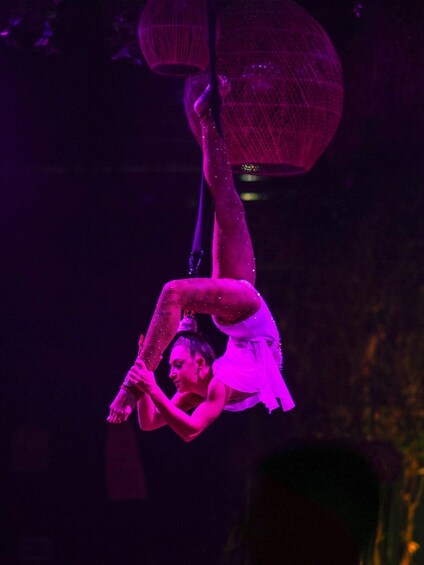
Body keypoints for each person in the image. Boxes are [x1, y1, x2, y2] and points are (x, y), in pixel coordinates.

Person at [107, 77, 295, 441]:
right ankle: (125, 388)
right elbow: (190, 430)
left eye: (172, 366)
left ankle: (207, 115)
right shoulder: (217, 386)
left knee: (226, 201)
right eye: (176, 364)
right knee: (173, 292)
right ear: (200, 363)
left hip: (237, 316)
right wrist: (142, 383)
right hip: (249, 311)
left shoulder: (197, 390)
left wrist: (148, 378)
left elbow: (148, 423)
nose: (172, 373)